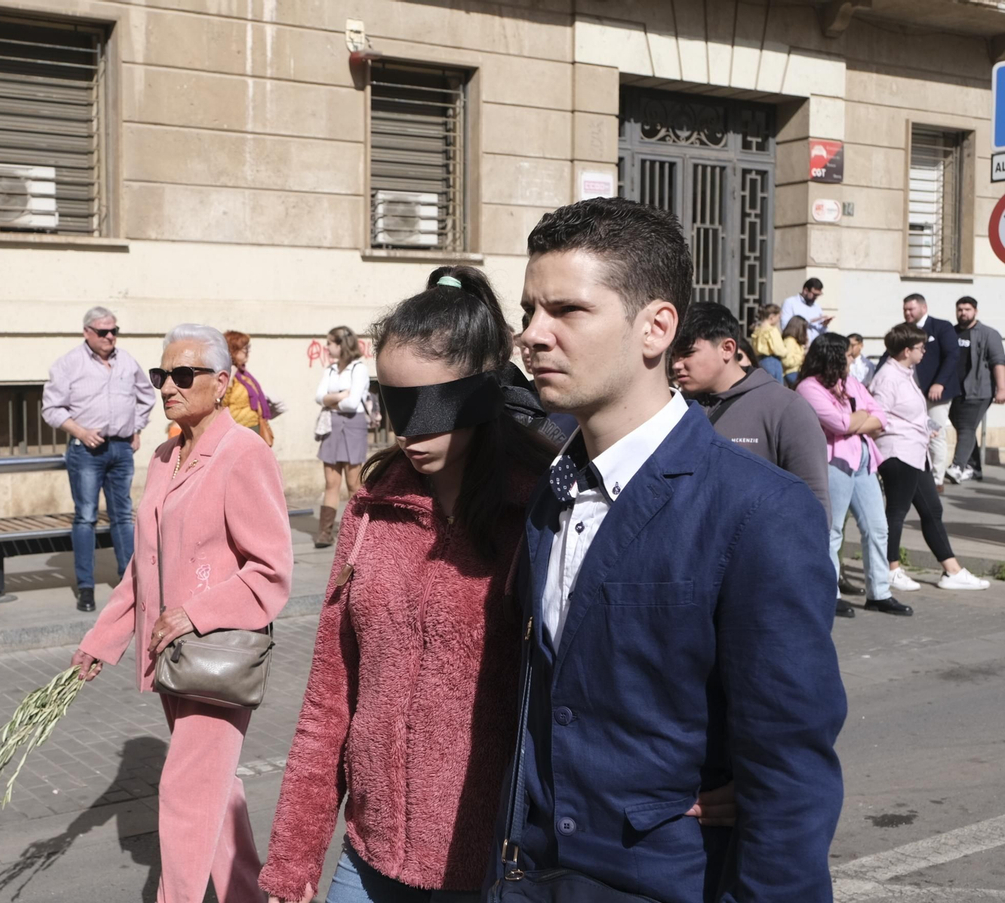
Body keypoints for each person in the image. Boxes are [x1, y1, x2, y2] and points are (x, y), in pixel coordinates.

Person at [263, 269, 734, 903]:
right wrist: (291, 865)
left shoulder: (542, 510)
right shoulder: (372, 511)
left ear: (481, 394)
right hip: (370, 848)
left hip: (495, 859)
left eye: (431, 405)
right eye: (394, 403)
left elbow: (619, 674)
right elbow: (330, 698)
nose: (408, 430)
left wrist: (712, 770)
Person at [509, 197, 844, 903]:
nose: (532, 335)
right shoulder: (551, 491)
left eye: (566, 310)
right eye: (528, 310)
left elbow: (789, 772)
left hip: (672, 879)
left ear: (656, 326)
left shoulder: (758, 511)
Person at [71, 324, 292, 903]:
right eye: (160, 375)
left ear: (221, 384)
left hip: (215, 653)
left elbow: (271, 570)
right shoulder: (167, 456)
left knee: (186, 792)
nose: (168, 385)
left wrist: (197, 612)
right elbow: (143, 567)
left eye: (183, 375)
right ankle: (249, 894)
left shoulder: (244, 454)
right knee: (214, 787)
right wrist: (104, 639)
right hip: (173, 656)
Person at [42, 306, 157, 612]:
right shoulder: (69, 364)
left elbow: (147, 396)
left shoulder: (126, 360)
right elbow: (51, 409)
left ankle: (131, 582)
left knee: (123, 515)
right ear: (87, 333)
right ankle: (86, 587)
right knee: (86, 517)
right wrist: (79, 431)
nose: (110, 337)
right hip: (86, 452)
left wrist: (137, 428)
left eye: (114, 331)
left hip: (121, 449)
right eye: (103, 331)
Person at [671, 302, 831, 515]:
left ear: (727, 348)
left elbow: (813, 505)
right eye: (673, 355)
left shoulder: (786, 408)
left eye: (687, 353)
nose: (676, 364)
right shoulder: (673, 408)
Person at [868, 323, 992, 594]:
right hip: (898, 453)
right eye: (921, 347)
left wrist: (925, 425)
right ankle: (889, 569)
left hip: (915, 452)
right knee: (896, 512)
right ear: (905, 350)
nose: (925, 351)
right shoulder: (888, 377)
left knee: (932, 510)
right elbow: (878, 417)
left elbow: (909, 410)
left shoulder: (906, 371)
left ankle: (952, 570)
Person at [795, 334, 900, 617]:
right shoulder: (809, 387)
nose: (851, 361)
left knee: (878, 528)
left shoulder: (850, 383)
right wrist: (862, 418)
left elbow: (882, 416)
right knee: (832, 531)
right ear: (832, 357)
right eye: (847, 356)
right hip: (833, 462)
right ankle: (831, 594)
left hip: (864, 461)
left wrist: (858, 420)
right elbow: (838, 422)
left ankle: (879, 593)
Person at [313, 327, 370, 548]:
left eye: (330, 343)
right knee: (331, 482)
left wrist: (332, 399)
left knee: (354, 483)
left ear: (341, 344)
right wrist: (339, 396)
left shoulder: (359, 369)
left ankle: (358, 532)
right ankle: (325, 533)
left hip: (353, 425)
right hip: (332, 424)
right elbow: (319, 397)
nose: (327, 347)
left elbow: (352, 403)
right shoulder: (330, 369)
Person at [901, 293, 960, 487]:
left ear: (923, 308)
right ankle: (918, 473)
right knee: (914, 433)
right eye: (905, 309)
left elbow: (952, 356)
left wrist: (939, 383)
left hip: (936, 394)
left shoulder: (941, 327)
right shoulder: (904, 330)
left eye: (911, 309)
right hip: (911, 393)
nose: (907, 313)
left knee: (935, 433)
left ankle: (936, 479)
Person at [948, 297, 1005, 483]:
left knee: (966, 427)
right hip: (956, 391)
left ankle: (957, 466)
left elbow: (998, 362)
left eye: (967, 309)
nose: (963, 313)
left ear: (975, 312)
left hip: (979, 390)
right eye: (960, 310)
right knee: (962, 426)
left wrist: (1001, 389)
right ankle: (974, 468)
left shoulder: (988, 334)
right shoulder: (952, 333)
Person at [222, 330, 278, 446]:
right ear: (233, 350)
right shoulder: (228, 373)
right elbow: (222, 402)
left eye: (248, 348)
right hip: (237, 430)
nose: (248, 352)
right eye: (245, 349)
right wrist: (229, 380)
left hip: (253, 427)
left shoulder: (243, 374)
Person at [780, 276, 832, 343]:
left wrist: (824, 325)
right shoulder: (790, 303)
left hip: (814, 346)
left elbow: (821, 332)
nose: (816, 298)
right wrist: (810, 321)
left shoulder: (816, 306)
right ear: (805, 290)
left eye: (818, 295)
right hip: (797, 345)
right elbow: (785, 327)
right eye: (814, 295)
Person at [749, 304, 788, 382]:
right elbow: (778, 349)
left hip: (760, 361)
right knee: (776, 387)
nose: (778, 320)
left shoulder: (757, 330)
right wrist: (785, 352)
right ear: (772, 317)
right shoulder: (772, 330)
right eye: (778, 317)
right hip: (772, 361)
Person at [778, 315, 811, 386]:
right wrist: (801, 358)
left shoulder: (797, 342)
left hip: (799, 372)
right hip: (791, 373)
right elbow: (787, 361)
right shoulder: (790, 341)